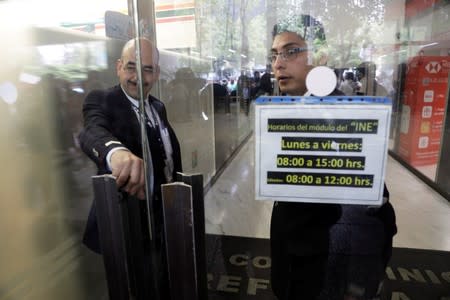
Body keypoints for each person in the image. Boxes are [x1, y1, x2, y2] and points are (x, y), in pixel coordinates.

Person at [268, 15, 396, 300]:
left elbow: (372, 214)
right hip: (294, 267)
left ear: (322, 56)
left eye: (291, 51)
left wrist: (353, 285)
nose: (278, 64)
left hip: (323, 277)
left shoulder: (343, 116)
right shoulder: (290, 110)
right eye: (275, 55)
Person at [78, 38, 182, 298]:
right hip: (127, 224)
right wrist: (116, 152)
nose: (138, 77)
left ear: (157, 73)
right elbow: (92, 131)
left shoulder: (157, 106)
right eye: (131, 67)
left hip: (161, 219)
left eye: (147, 69)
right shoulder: (102, 100)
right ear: (118, 67)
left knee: (162, 281)